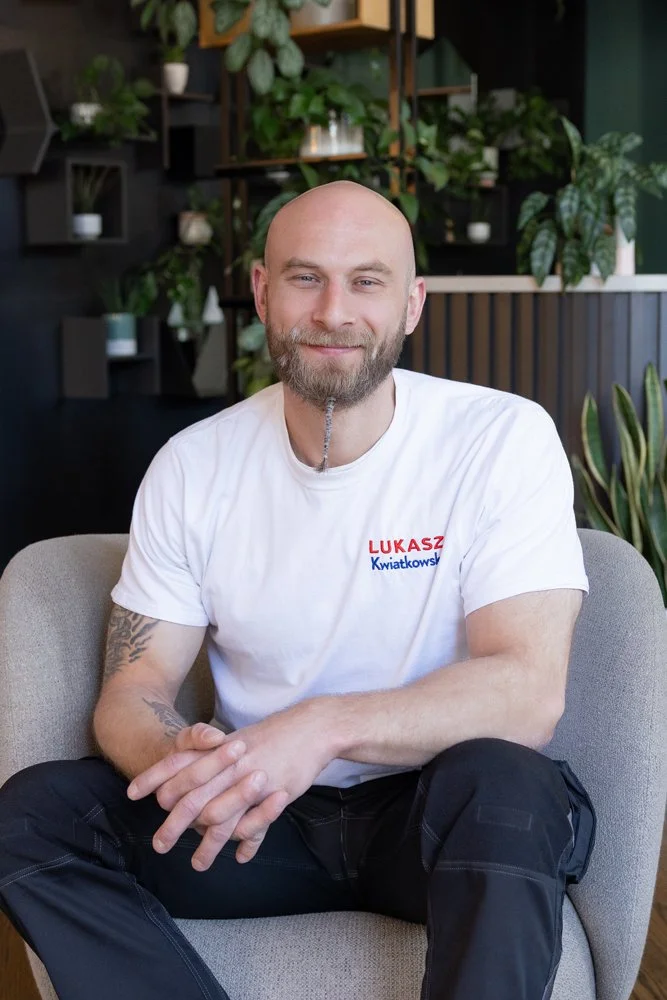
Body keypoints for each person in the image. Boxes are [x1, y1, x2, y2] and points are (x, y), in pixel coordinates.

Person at [0, 180, 596, 1000]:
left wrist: (320, 727)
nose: (333, 311)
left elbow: (527, 692)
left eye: (367, 280)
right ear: (260, 292)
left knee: (509, 784)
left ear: (412, 303)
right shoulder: (193, 464)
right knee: (34, 814)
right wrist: (178, 755)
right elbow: (132, 688)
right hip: (252, 819)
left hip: (434, 823)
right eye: (304, 277)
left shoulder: (498, 439)